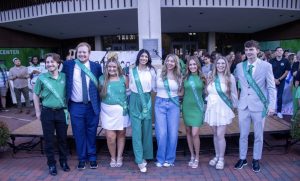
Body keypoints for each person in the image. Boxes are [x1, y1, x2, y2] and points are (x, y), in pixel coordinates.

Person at [234, 40, 276, 172]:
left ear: (257, 50)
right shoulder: (240, 66)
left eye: (251, 50)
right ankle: (242, 158)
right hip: (243, 106)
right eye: (246, 50)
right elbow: (233, 82)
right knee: (243, 134)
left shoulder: (266, 66)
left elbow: (271, 87)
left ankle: (256, 159)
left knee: (258, 135)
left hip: (259, 106)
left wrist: (271, 105)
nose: (248, 52)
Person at [62, 42, 102, 170]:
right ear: (76, 53)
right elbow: (61, 80)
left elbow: (102, 84)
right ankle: (82, 158)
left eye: (84, 52)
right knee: (78, 133)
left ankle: (92, 158)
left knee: (91, 132)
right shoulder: (68, 65)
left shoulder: (96, 67)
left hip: (92, 106)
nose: (82, 54)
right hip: (75, 106)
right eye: (80, 52)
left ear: (89, 53)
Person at [33, 53, 70, 176]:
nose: (50, 64)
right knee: (49, 140)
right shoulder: (41, 78)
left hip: (61, 112)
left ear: (58, 64)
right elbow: (35, 94)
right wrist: (38, 111)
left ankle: (63, 162)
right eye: (47, 62)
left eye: (52, 62)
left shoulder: (64, 76)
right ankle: (51, 164)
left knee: (62, 139)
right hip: (47, 112)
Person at [205, 56, 238, 170]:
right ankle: (217, 155)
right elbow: (207, 90)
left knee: (220, 134)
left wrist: (235, 107)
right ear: (215, 64)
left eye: (223, 63)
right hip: (212, 108)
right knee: (215, 134)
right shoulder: (211, 75)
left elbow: (234, 94)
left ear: (226, 65)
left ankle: (222, 159)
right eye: (218, 63)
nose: (220, 65)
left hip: (223, 108)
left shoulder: (230, 77)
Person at [99, 56, 130, 168]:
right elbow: (99, 94)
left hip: (121, 111)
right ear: (106, 68)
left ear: (118, 67)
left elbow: (128, 94)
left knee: (121, 134)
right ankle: (112, 157)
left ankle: (119, 157)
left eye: (114, 66)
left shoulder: (124, 78)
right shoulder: (101, 79)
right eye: (109, 67)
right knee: (110, 136)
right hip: (106, 111)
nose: (111, 69)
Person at [129, 49, 156, 172]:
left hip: (146, 99)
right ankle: (139, 160)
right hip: (134, 99)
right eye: (142, 56)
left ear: (148, 58)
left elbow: (155, 87)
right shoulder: (131, 70)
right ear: (138, 57)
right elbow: (128, 87)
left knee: (146, 130)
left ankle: (146, 155)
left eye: (146, 56)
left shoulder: (152, 71)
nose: (144, 58)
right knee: (136, 131)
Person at [154, 54, 182, 167]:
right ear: (165, 62)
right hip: (159, 103)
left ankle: (169, 159)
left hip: (173, 104)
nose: (170, 63)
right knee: (161, 133)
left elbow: (181, 91)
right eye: (168, 61)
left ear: (176, 63)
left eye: (172, 61)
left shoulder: (179, 76)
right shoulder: (159, 72)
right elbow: (154, 88)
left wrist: (174, 96)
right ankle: (160, 159)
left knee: (173, 133)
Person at [182, 56, 205, 169]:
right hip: (186, 107)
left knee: (195, 133)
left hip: (198, 108)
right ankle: (192, 155)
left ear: (198, 65)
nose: (192, 66)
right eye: (190, 65)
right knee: (188, 132)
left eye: (194, 64)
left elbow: (208, 92)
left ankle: (197, 157)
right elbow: (181, 93)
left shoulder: (203, 77)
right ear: (188, 66)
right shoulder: (185, 78)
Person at [269, 47, 290, 119]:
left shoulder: (286, 61)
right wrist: (274, 79)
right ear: (275, 52)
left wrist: (279, 79)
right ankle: (270, 110)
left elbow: (286, 72)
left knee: (279, 96)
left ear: (283, 52)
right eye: (278, 51)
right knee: (271, 96)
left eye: (281, 50)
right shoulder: (271, 61)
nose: (279, 52)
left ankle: (279, 112)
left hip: (281, 81)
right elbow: (269, 72)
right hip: (272, 81)